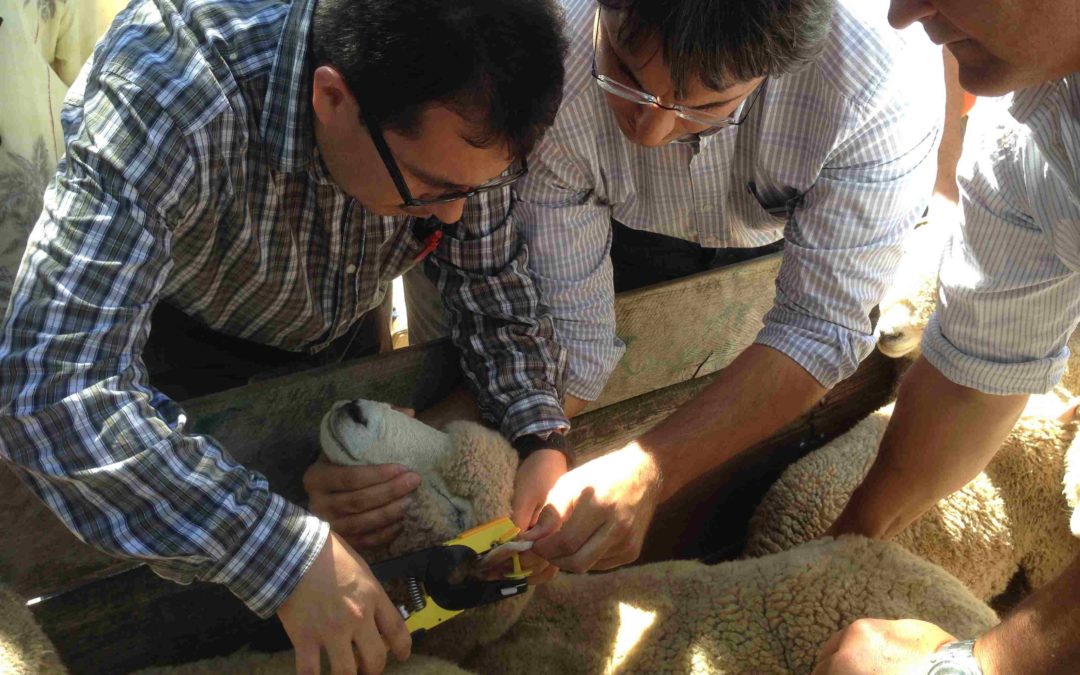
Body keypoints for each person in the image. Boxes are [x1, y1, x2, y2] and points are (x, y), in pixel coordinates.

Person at [0, 0, 568, 672]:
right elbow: (55, 386)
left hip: (345, 341)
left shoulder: (461, 110)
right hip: (176, 369)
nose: (453, 214)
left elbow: (489, 280)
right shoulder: (170, 87)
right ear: (333, 96)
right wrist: (282, 552)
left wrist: (540, 436)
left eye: (475, 188)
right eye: (429, 190)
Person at [468, 0, 945, 577]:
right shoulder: (552, 47)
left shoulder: (875, 77)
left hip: (775, 232)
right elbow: (572, 335)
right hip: (624, 219)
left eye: (707, 105)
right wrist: (530, 445)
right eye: (624, 72)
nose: (650, 132)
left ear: (777, 66)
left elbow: (820, 325)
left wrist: (653, 469)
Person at [813, 0, 1080, 673]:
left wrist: (969, 666)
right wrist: (830, 562)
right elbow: (974, 376)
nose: (905, 15)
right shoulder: (1026, 125)